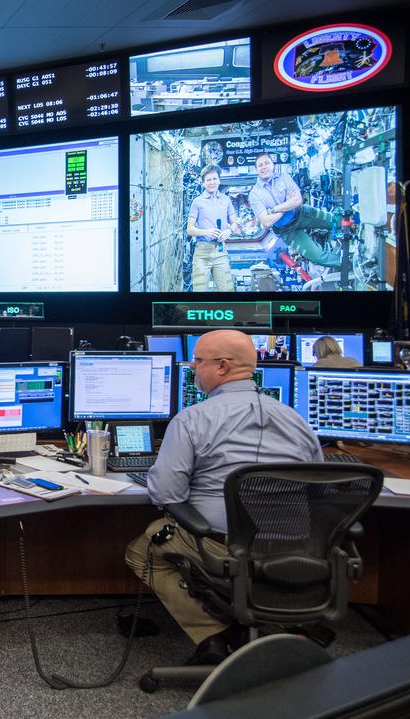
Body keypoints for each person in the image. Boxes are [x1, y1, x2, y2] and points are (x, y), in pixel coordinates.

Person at [124, 329, 322, 665]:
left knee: (142, 550)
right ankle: (262, 630)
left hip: (221, 545)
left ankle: (213, 635)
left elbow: (166, 493)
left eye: (198, 361)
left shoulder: (192, 419)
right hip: (297, 546)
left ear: (222, 367)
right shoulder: (297, 421)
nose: (193, 368)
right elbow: (318, 486)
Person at [249, 152, 342, 268]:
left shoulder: (283, 177)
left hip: (303, 214)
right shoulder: (254, 194)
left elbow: (298, 200)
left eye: (266, 163)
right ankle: (352, 264)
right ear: (256, 170)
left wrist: (273, 209)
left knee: (338, 221)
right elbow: (266, 221)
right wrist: (287, 205)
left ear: (272, 165)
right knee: (318, 256)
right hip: (287, 231)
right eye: (260, 165)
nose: (264, 167)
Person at [186, 164, 237, 292]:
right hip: (202, 253)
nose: (212, 182)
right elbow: (190, 229)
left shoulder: (226, 200)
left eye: (215, 179)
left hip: (221, 251)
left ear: (219, 180)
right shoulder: (197, 202)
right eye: (208, 180)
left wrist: (229, 231)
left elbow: (235, 224)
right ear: (203, 183)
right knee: (199, 291)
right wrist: (206, 232)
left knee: (227, 290)